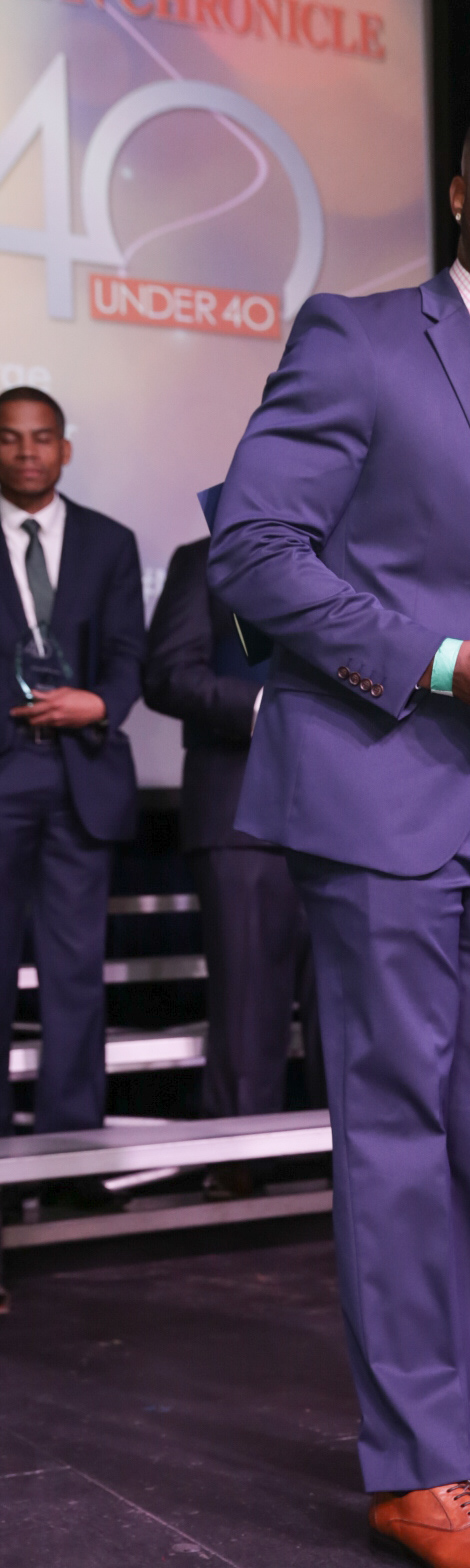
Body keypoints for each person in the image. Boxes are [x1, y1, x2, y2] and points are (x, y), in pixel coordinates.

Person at [208, 103, 470, 1568]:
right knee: (394, 1131)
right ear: (459, 195)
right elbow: (255, 555)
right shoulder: (359, 338)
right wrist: (441, 662)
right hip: (380, 787)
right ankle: (412, 1475)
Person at [0, 386, 145, 1137]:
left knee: (74, 977)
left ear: (65, 447)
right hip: (4, 774)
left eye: (41, 437)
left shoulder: (109, 540)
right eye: (11, 438)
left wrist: (101, 702)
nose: (27, 452)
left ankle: (70, 1151)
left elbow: (129, 653)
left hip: (82, 774)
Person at [144, 537, 325, 1122]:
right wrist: (263, 708)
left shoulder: (359, 551)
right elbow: (168, 673)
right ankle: (240, 1165)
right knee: (247, 1004)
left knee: (356, 1006)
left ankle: (353, 1170)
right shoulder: (201, 557)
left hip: (351, 816)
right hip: (239, 809)